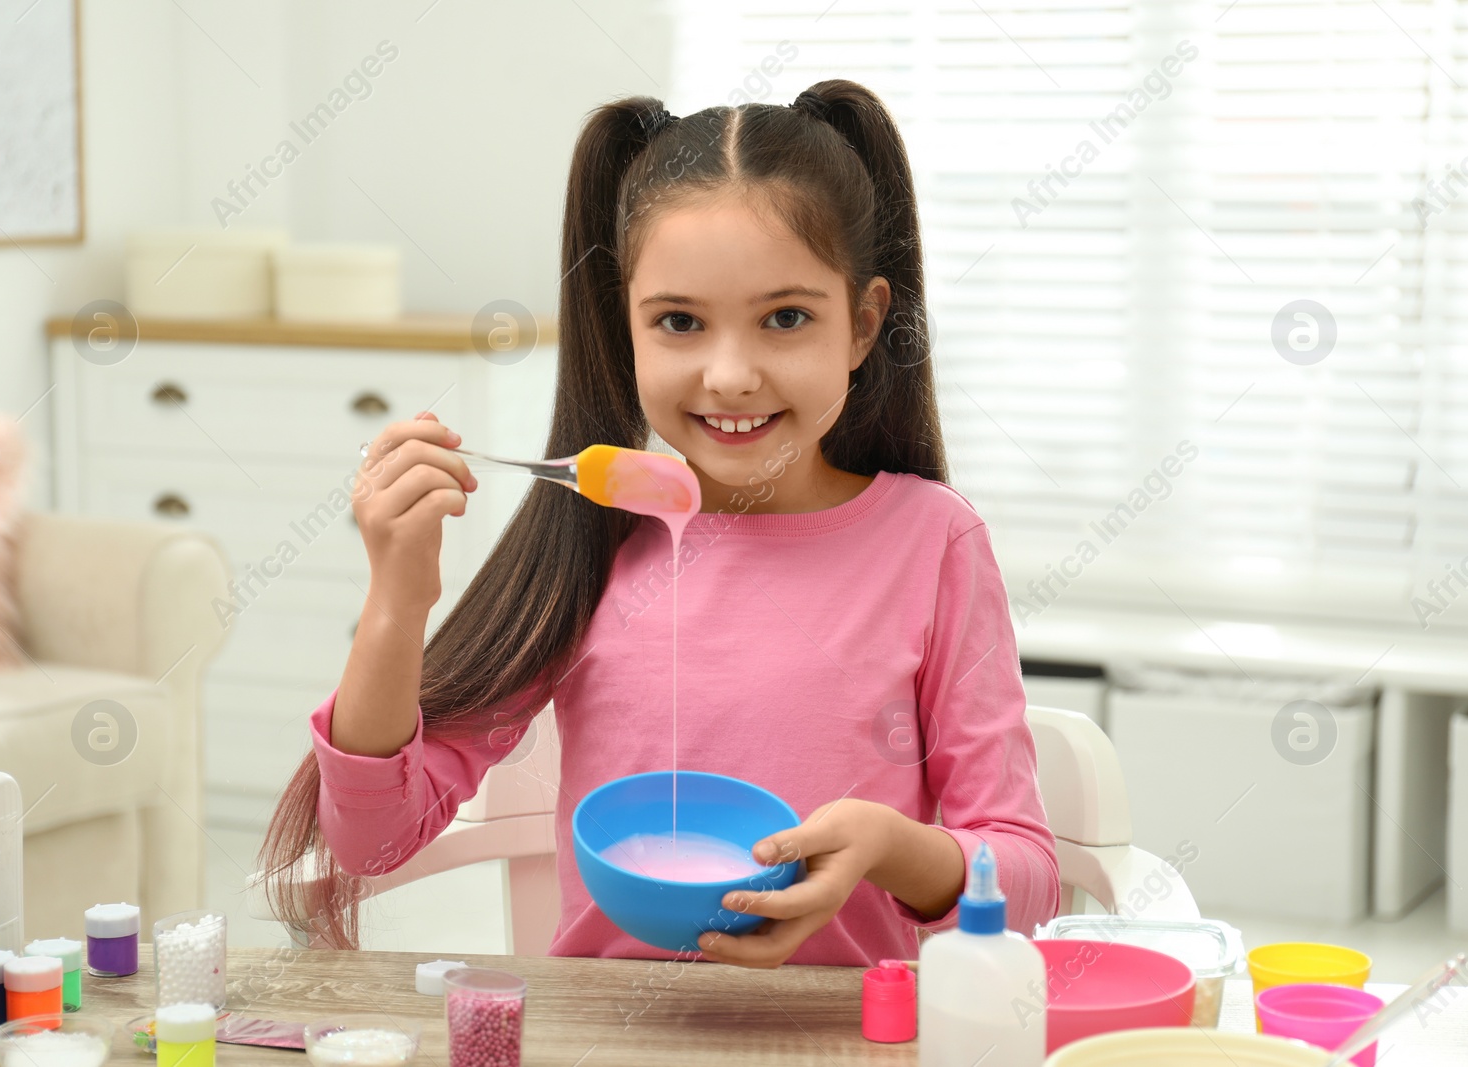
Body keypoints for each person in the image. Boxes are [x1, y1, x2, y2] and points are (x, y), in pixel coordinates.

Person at [260, 79, 1059, 968]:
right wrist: (394, 602)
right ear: (625, 325)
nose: (728, 375)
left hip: (845, 1035)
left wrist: (894, 846)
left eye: (785, 318)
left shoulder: (932, 542)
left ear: (865, 324)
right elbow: (372, 842)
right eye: (679, 322)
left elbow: (1025, 881)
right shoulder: (592, 538)